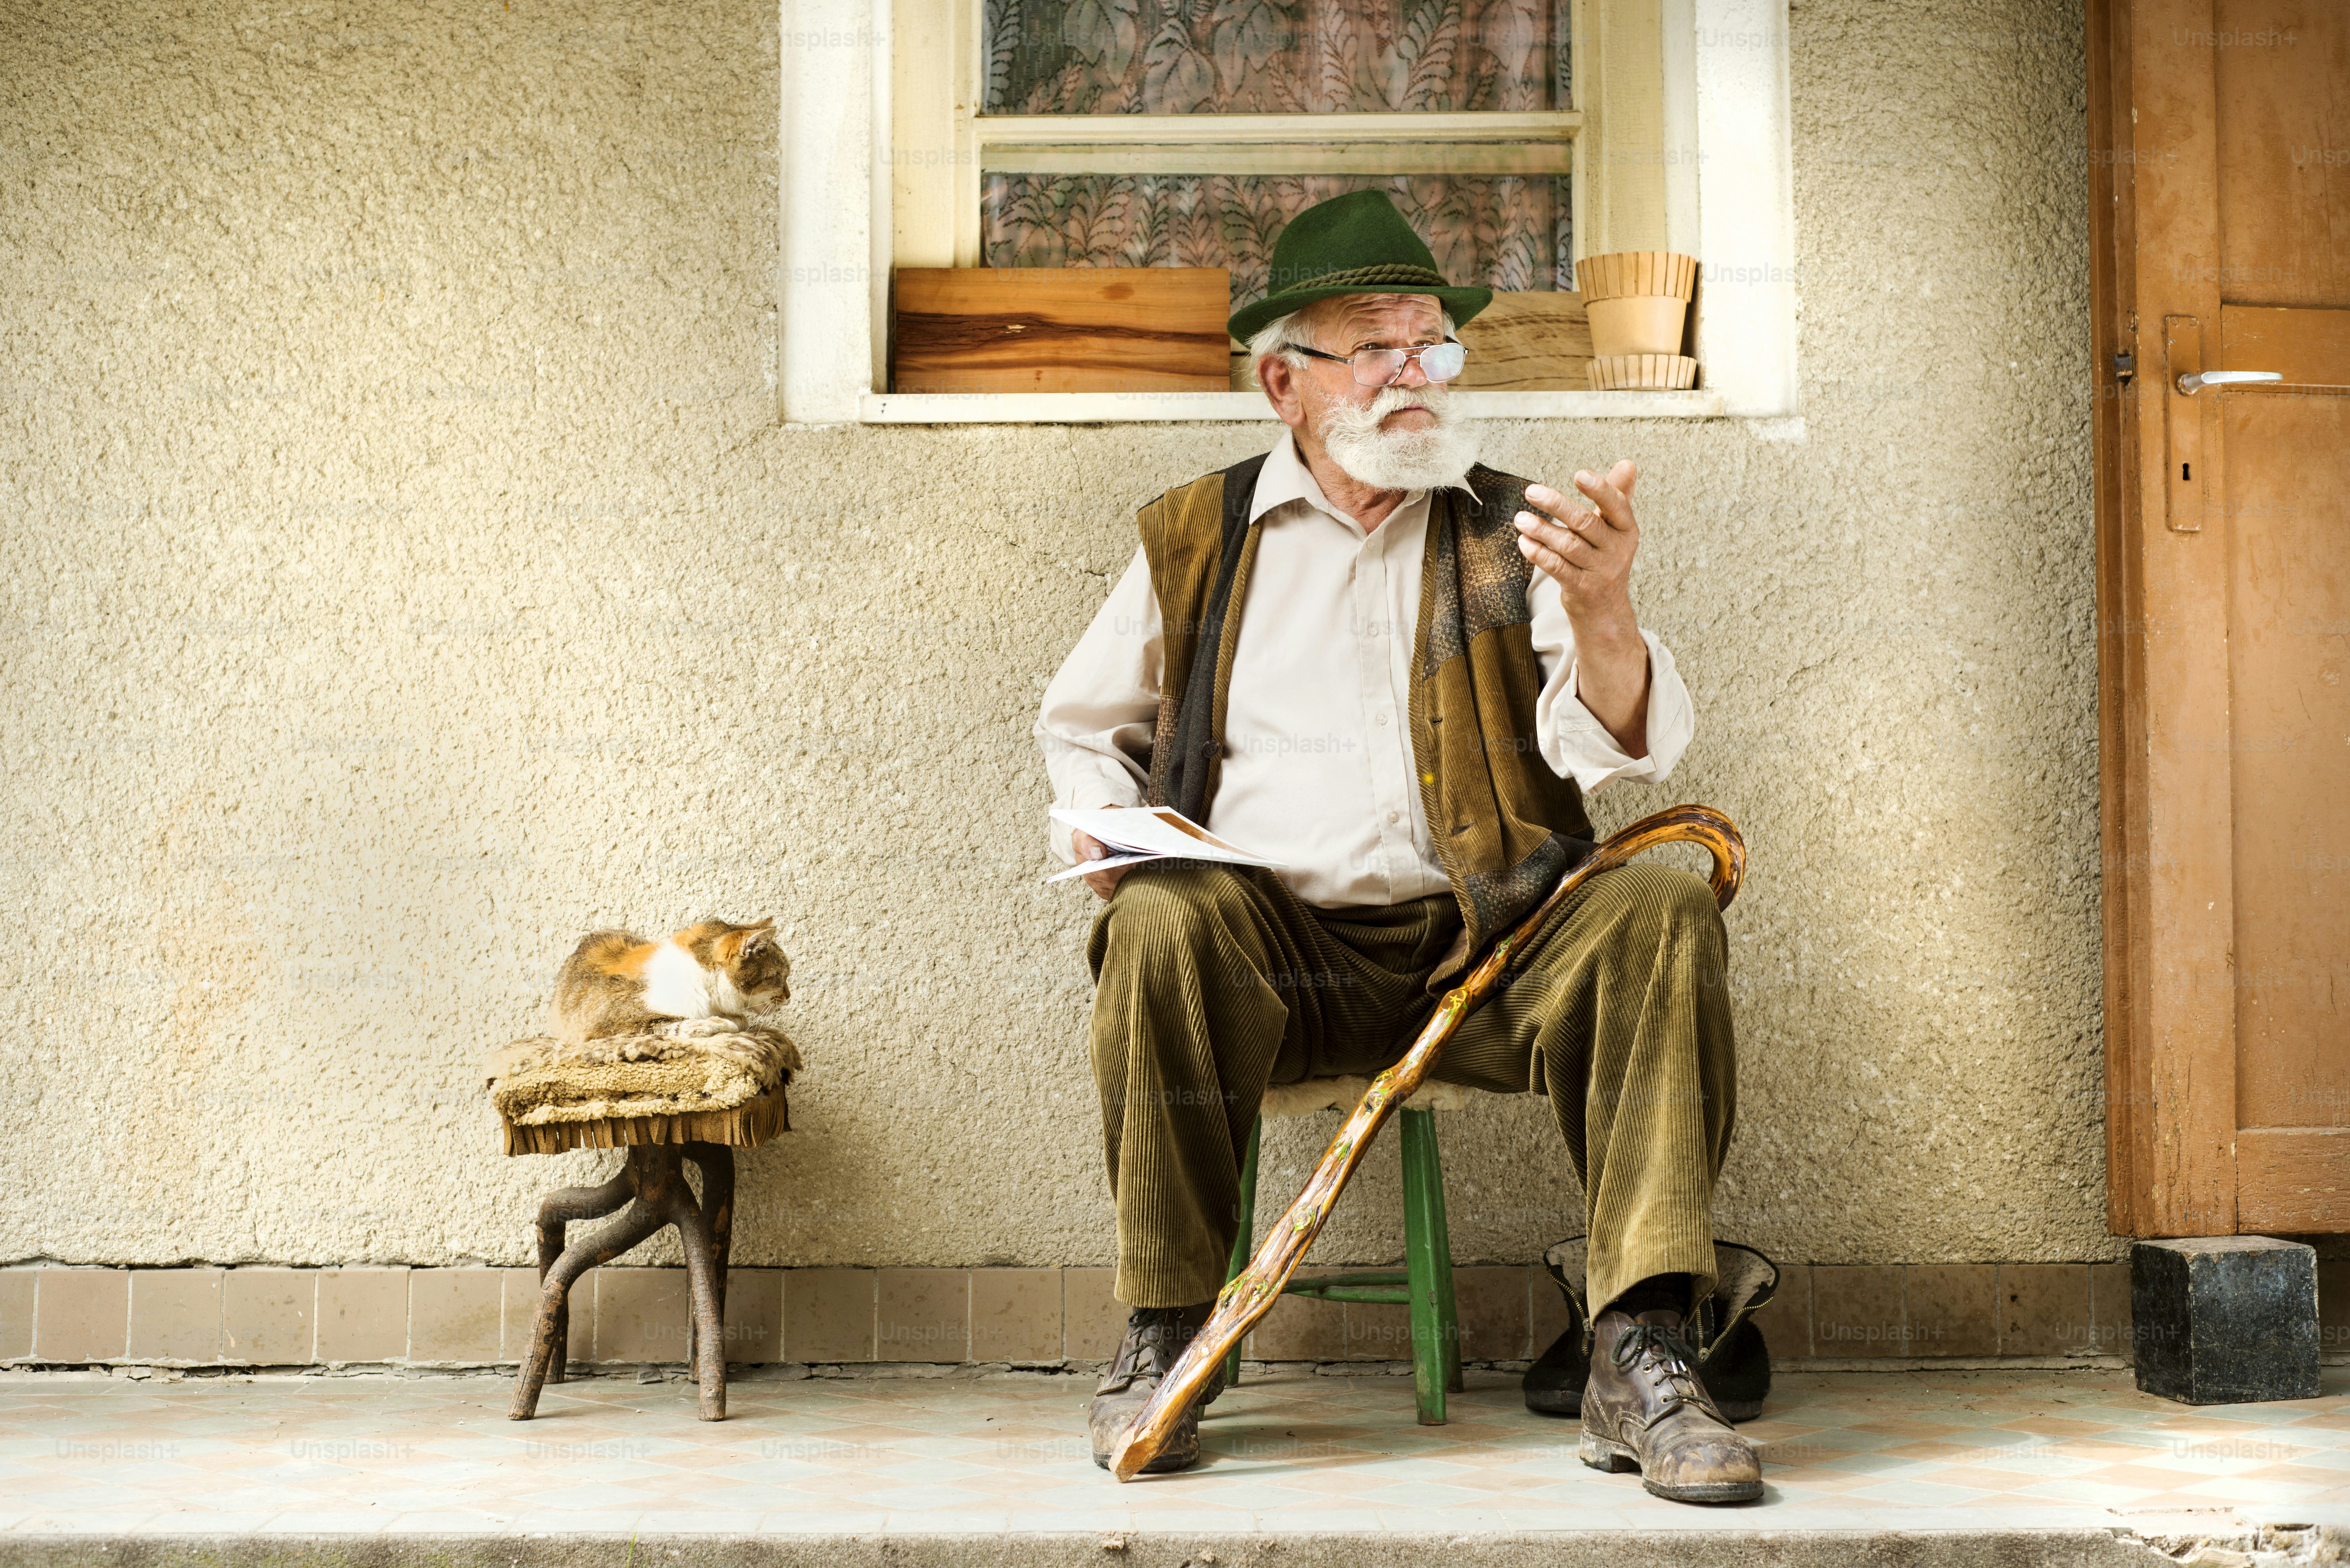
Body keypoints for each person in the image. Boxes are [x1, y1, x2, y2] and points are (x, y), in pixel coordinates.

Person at [1033, 189, 1755, 1504]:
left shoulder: (1506, 528)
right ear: (1282, 382)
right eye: (1378, 349)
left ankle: (1640, 1340)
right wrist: (1113, 836)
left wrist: (1604, 608)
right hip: (1280, 959)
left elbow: (1623, 749)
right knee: (1152, 923)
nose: (1416, 375)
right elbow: (1081, 729)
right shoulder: (1195, 540)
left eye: (1433, 345)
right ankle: (1164, 1330)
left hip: (1491, 943)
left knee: (1660, 906)